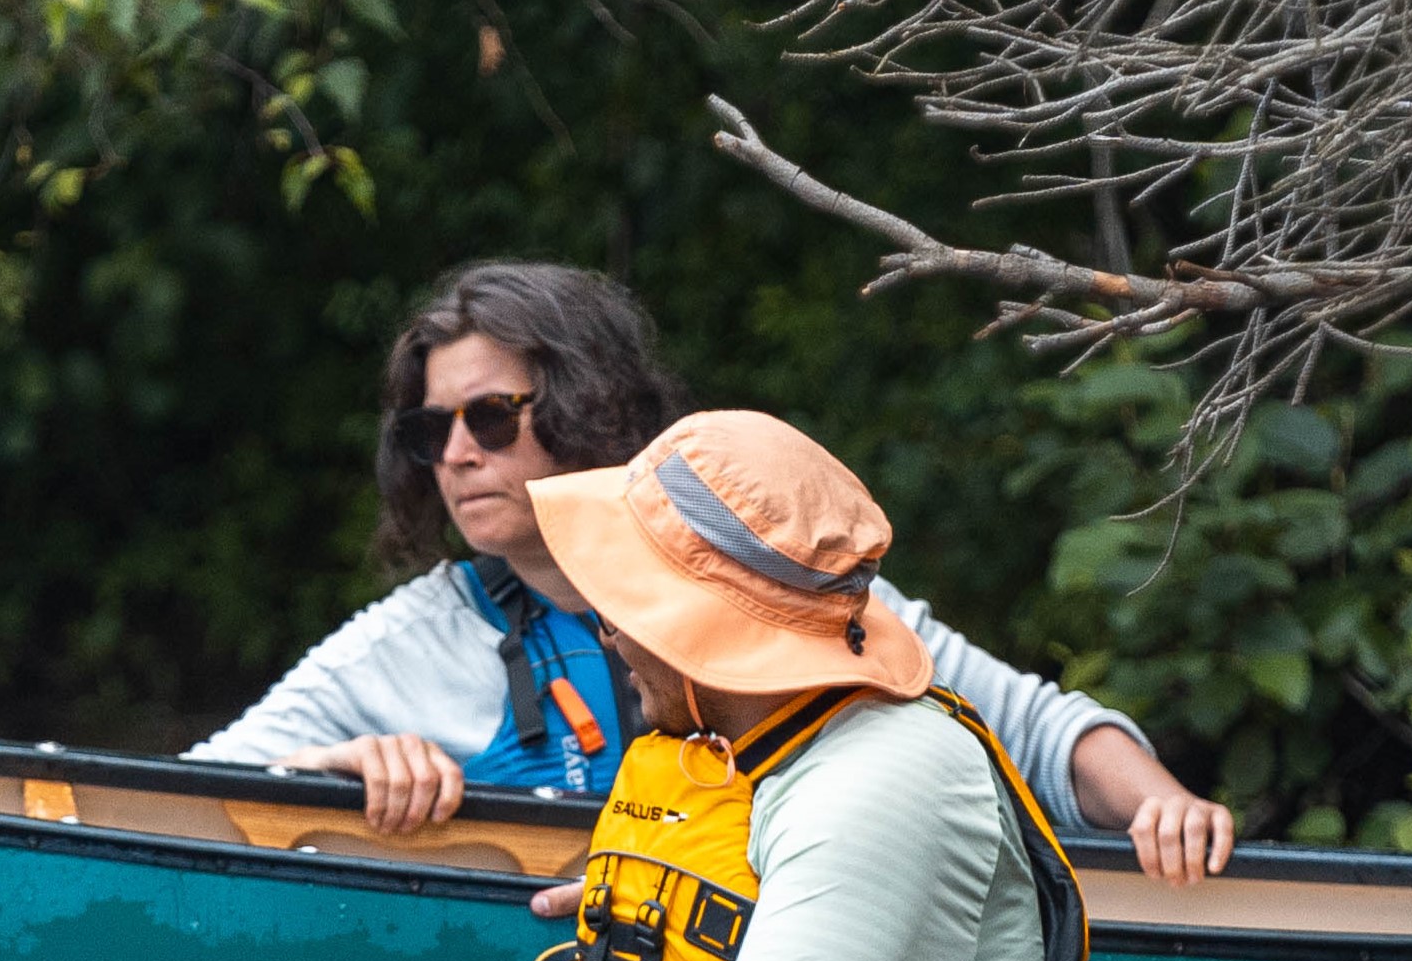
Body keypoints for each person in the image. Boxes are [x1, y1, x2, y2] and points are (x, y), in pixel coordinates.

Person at [329, 409, 1151, 961]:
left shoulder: (887, 775)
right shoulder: (757, 746)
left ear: (697, 630)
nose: (605, 629)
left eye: (627, 602)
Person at [186, 261, 1235, 888]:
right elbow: (189, 800)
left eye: (492, 417)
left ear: (584, 404)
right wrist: (321, 780)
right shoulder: (400, 642)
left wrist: (1162, 807)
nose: (458, 453)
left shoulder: (761, 574)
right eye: (431, 428)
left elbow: (1037, 731)